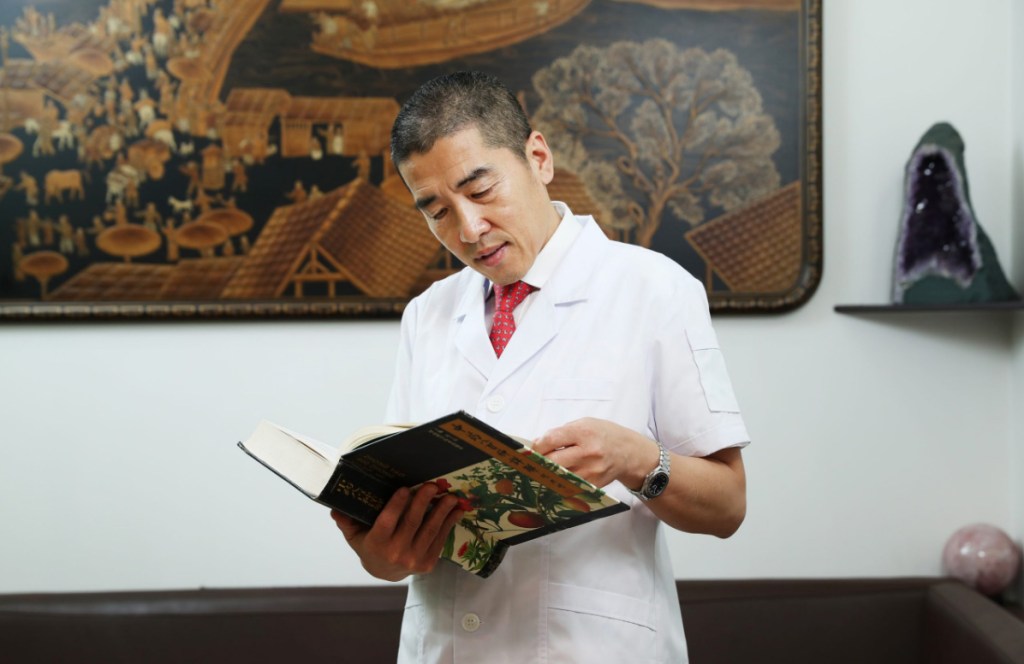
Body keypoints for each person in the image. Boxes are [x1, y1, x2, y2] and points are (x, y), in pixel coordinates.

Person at [331, 71, 749, 663]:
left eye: (479, 191)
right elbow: (392, 555)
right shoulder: (427, 315)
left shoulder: (654, 289)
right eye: (436, 211)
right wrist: (384, 551)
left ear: (538, 157)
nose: (468, 230)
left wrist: (636, 458)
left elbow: (728, 505)